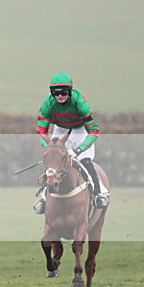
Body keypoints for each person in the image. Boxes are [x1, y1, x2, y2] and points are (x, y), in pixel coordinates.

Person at [33, 72, 109, 214]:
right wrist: (49, 147)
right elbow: (41, 131)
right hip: (61, 129)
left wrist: (79, 150)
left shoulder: (79, 102)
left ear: (70, 91)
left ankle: (99, 193)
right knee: (52, 162)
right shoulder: (47, 104)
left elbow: (94, 131)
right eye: (56, 93)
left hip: (80, 131)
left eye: (64, 92)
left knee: (85, 161)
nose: (60, 96)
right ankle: (44, 197)